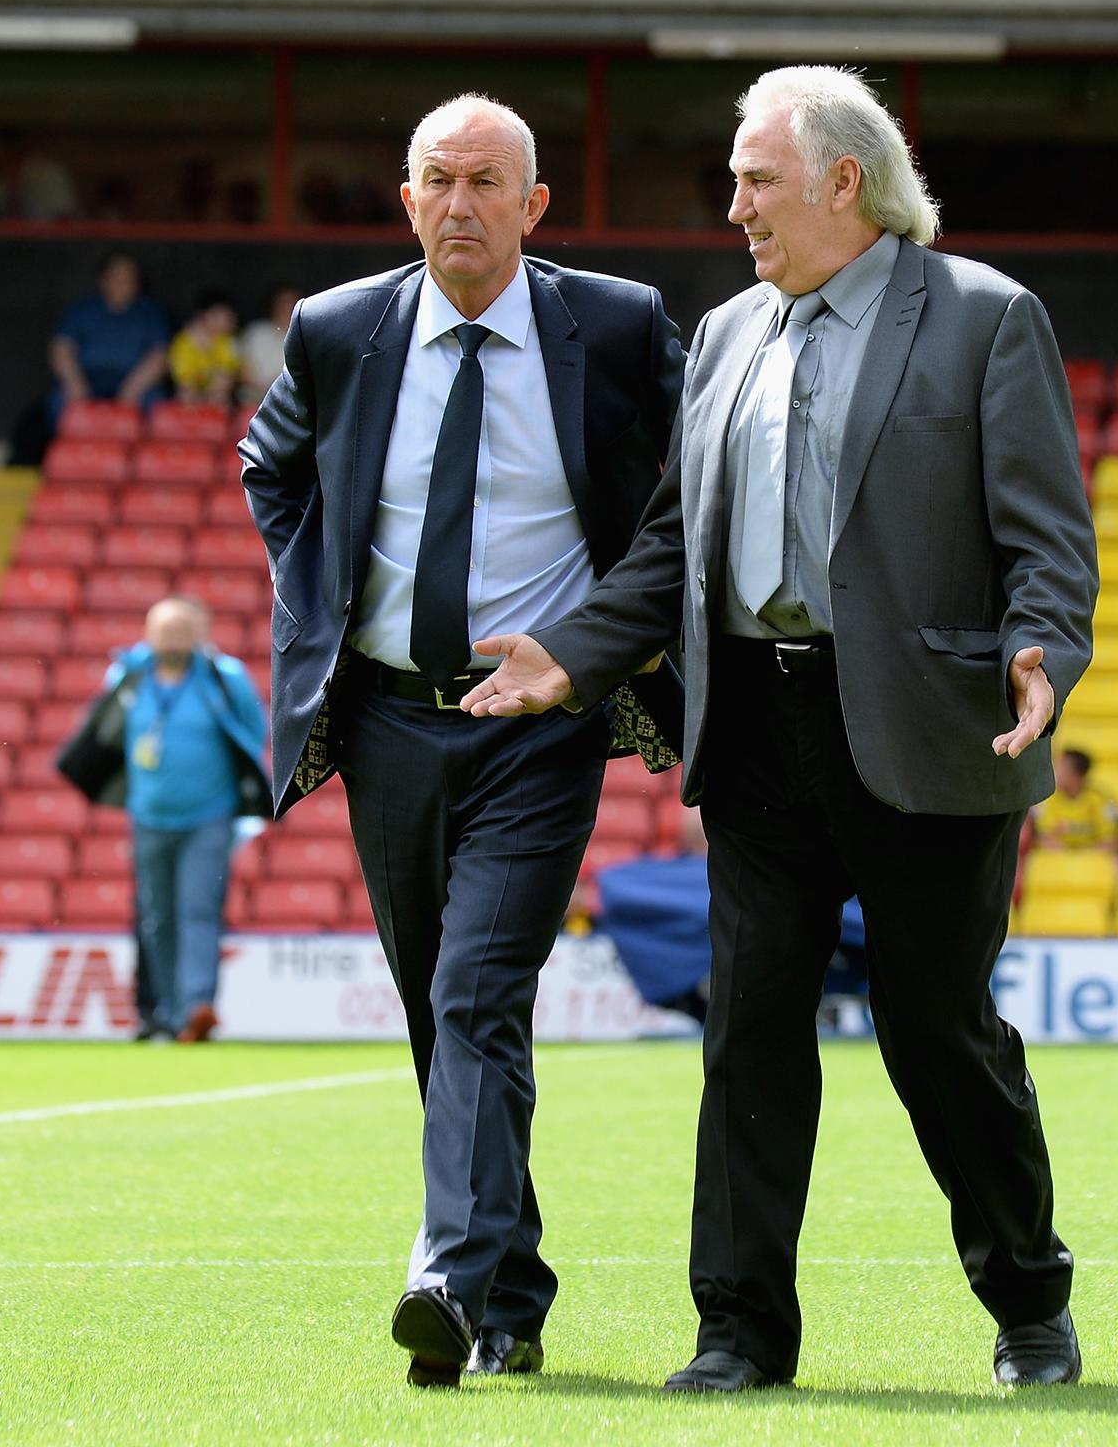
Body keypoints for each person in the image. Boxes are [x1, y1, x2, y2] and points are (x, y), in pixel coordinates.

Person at [462, 66, 1098, 1392]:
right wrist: (569, 656)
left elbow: (1044, 536)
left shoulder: (985, 318)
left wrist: (1045, 657)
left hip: (930, 732)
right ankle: (739, 1331)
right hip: (754, 723)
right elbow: (669, 547)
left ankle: (1029, 1303)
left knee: (940, 1036)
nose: (736, 204)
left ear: (843, 184)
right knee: (746, 1032)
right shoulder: (729, 334)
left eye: (757, 180)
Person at [236, 95, 684, 1387]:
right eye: (439, 179)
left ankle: (445, 1269)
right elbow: (271, 468)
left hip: (542, 725)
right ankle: (514, 1294)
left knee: (479, 993)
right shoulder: (338, 331)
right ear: (406, 198)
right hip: (383, 718)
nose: (461, 205)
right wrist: (319, 592)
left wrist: (600, 642)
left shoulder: (613, 327)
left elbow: (686, 483)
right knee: (447, 1022)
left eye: (489, 182)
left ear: (535, 208)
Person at [54, 596, 267, 1043]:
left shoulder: (223, 678)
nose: (171, 638)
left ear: (199, 634)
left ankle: (196, 1008)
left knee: (198, 910)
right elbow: (103, 731)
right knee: (157, 916)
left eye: (180, 629)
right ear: (148, 633)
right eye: (162, 629)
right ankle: (165, 1012)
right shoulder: (128, 676)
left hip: (211, 816)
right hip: (148, 816)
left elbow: (254, 728)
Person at [13, 253, 170, 466]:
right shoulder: (83, 310)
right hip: (88, 381)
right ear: (103, 280)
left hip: (134, 384)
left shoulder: (149, 313)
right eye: (117, 277)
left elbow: (159, 355)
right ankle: (68, 464)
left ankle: (141, 468)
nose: (123, 284)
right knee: (59, 403)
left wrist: (133, 388)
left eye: (129, 279)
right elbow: (61, 348)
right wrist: (74, 382)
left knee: (156, 405)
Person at [1031, 749, 1118, 851]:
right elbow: (1043, 838)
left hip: (1093, 861)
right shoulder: (1047, 797)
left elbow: (1111, 841)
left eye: (1062, 768)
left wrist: (1083, 858)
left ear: (1077, 775)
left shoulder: (1101, 798)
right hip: (1057, 861)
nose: (1056, 773)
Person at [169, 288, 242, 407]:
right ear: (205, 315)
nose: (230, 320)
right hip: (191, 394)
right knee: (185, 396)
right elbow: (184, 381)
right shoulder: (183, 341)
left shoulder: (229, 341)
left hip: (218, 394)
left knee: (221, 399)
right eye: (222, 315)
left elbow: (226, 376)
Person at [239, 284, 302, 412]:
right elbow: (243, 371)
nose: (287, 308)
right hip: (255, 405)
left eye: (292, 303)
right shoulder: (256, 332)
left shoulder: (307, 335)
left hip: (297, 408)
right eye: (283, 303)